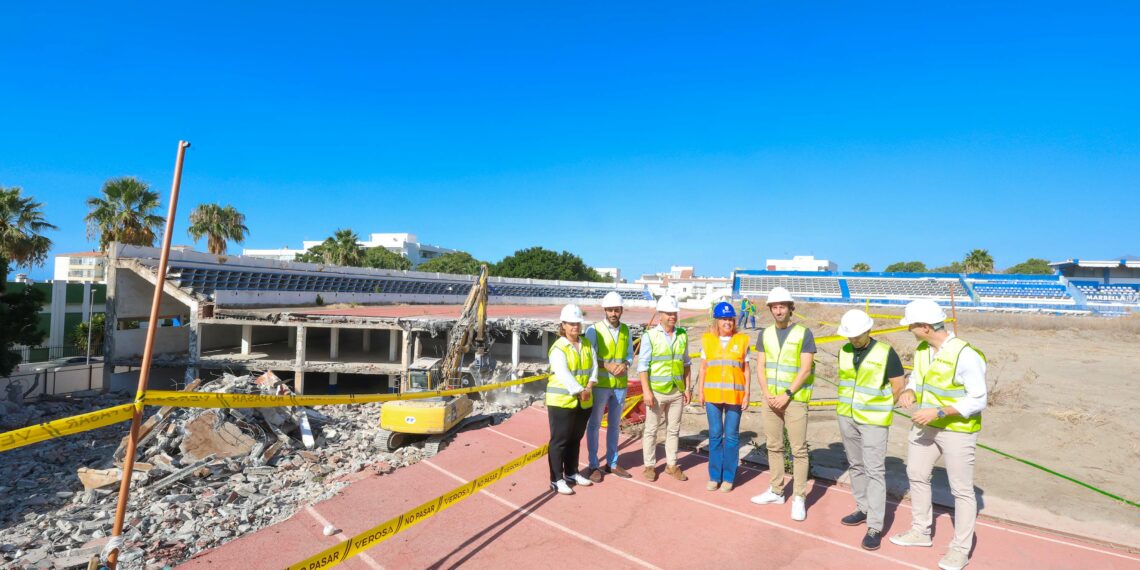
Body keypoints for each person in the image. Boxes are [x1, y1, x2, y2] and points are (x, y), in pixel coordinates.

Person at [889, 299, 987, 570]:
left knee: (961, 490)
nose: (909, 329)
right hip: (926, 426)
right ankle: (921, 532)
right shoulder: (923, 350)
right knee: (917, 475)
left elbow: (978, 399)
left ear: (925, 327)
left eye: (912, 325)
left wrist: (939, 413)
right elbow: (919, 380)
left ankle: (960, 549)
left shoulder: (965, 354)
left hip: (958, 430)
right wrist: (910, 391)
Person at [834, 309, 907, 550]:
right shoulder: (844, 351)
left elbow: (898, 385)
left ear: (868, 330)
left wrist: (882, 407)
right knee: (855, 465)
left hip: (874, 420)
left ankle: (875, 525)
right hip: (847, 416)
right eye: (850, 336)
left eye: (857, 335)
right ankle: (862, 508)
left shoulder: (886, 352)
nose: (853, 340)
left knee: (874, 470)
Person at [750, 286, 815, 521]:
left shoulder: (803, 333)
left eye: (782, 306)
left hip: (794, 399)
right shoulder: (764, 334)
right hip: (770, 399)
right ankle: (776, 491)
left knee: (798, 450)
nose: (778, 311)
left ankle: (799, 497)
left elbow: (805, 368)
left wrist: (787, 394)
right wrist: (767, 393)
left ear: (790, 309)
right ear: (770, 309)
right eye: (775, 307)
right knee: (774, 446)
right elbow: (760, 366)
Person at [696, 302, 751, 492]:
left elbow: (746, 370)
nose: (727, 322)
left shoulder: (742, 340)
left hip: (735, 396)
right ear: (717, 321)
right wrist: (700, 391)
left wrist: (747, 394)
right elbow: (703, 368)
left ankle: (728, 477)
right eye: (723, 319)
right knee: (715, 435)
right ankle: (714, 476)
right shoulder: (707, 340)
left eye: (730, 319)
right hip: (712, 396)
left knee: (732, 438)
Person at [545, 304, 597, 496]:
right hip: (562, 402)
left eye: (578, 323)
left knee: (575, 439)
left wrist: (589, 386)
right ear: (563, 325)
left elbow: (594, 367)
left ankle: (572, 473)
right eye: (571, 323)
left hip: (583, 400)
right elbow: (563, 373)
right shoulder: (558, 348)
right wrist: (580, 390)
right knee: (559, 441)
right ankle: (556, 479)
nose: (575, 327)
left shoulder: (586, 345)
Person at [638, 295, 691, 482]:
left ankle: (671, 464)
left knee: (673, 430)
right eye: (669, 313)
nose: (672, 316)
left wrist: (687, 388)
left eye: (674, 313)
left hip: (677, 391)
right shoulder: (650, 336)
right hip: (657, 392)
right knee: (651, 430)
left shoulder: (682, 335)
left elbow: (686, 363)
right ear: (660, 315)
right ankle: (650, 466)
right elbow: (642, 366)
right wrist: (647, 391)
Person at [584, 291, 635, 482]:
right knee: (595, 425)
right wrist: (607, 365)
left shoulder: (626, 330)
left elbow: (630, 355)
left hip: (620, 385)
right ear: (605, 310)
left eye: (617, 310)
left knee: (615, 425)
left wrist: (626, 364)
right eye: (610, 310)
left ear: (621, 310)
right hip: (601, 385)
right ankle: (593, 464)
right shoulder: (594, 330)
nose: (614, 313)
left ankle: (612, 463)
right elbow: (588, 357)